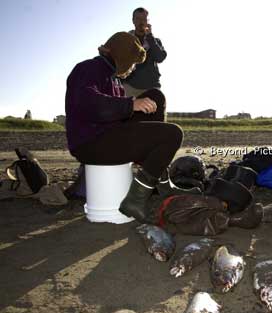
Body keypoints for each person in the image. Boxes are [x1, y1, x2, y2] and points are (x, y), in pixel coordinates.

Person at [65, 32, 183, 224]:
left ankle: (161, 183)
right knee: (173, 134)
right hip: (91, 142)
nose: (133, 68)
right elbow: (87, 103)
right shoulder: (88, 68)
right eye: (132, 62)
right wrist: (131, 105)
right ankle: (135, 200)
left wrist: (131, 107)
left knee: (155, 96)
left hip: (108, 134)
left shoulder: (114, 78)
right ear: (122, 56)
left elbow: (116, 114)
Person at [123, 7, 167, 98]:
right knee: (126, 111)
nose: (141, 22)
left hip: (152, 87)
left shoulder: (155, 41)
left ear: (148, 21)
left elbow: (160, 58)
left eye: (144, 19)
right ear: (133, 20)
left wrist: (150, 37)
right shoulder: (126, 40)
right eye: (138, 19)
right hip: (130, 87)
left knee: (158, 111)